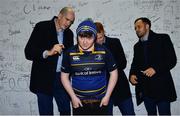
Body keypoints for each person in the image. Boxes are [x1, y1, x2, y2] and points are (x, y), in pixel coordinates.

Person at [60, 19, 118, 115]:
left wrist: (107, 96)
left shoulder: (104, 51)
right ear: (77, 36)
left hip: (101, 102)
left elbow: (114, 73)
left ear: (95, 37)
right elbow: (64, 76)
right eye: (81, 37)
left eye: (89, 38)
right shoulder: (69, 53)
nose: (85, 41)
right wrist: (73, 97)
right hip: (79, 103)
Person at [24, 7, 75, 115]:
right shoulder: (42, 27)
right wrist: (48, 52)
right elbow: (28, 52)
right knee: (46, 113)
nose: (68, 23)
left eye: (71, 22)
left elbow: (68, 58)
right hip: (43, 79)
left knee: (66, 111)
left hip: (62, 79)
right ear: (60, 15)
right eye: (67, 19)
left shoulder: (69, 34)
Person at [129, 17, 177, 115]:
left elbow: (172, 60)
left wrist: (155, 69)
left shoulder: (163, 38)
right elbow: (135, 64)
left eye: (139, 27)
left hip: (162, 88)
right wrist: (132, 74)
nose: (137, 30)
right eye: (135, 28)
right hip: (145, 89)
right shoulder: (137, 46)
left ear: (147, 26)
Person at [95, 22, 135, 115]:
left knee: (129, 113)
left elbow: (123, 63)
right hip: (103, 90)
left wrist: (106, 66)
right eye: (96, 38)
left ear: (103, 32)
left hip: (120, 87)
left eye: (100, 37)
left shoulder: (115, 42)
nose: (98, 41)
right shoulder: (90, 47)